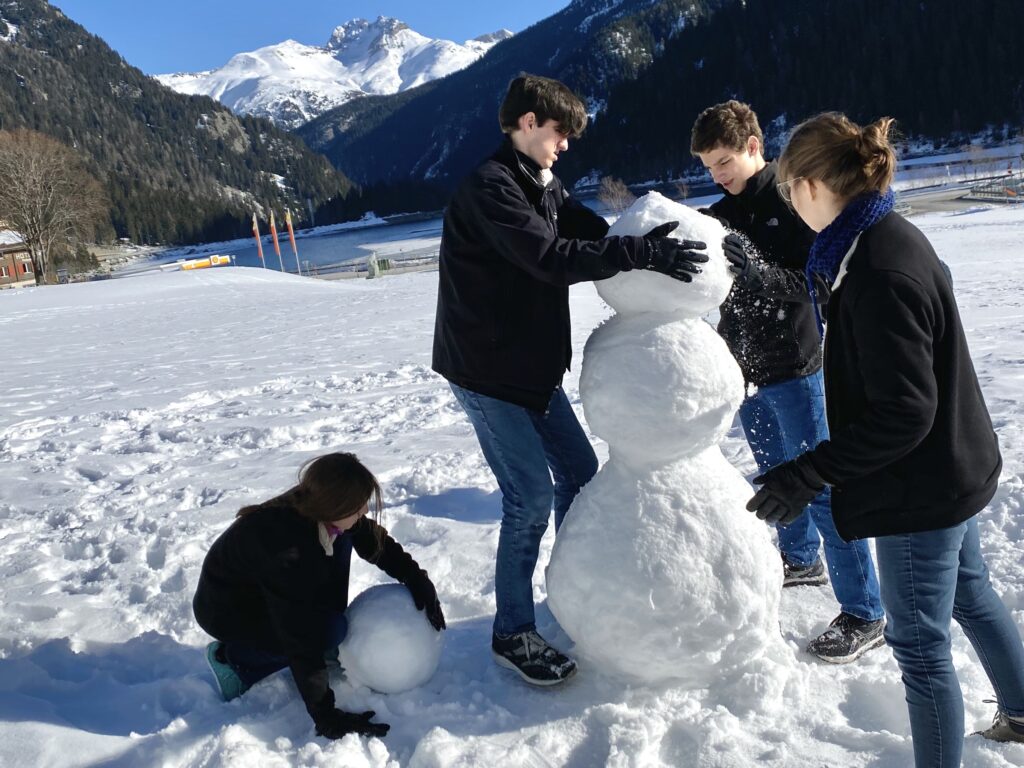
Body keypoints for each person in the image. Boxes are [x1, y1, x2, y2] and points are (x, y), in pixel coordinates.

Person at [748, 111, 1024, 765]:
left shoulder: (876, 273)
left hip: (919, 488)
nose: (789, 205)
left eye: (790, 191)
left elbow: (905, 411)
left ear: (814, 185)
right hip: (954, 466)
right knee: (971, 594)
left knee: (922, 651)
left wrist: (807, 471)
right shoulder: (881, 238)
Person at [432, 73, 711, 686]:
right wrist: (639, 257)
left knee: (580, 477)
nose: (565, 147)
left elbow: (583, 229)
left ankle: (577, 590)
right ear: (529, 122)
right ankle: (512, 632)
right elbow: (548, 258)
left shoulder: (541, 181)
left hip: (528, 368)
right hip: (485, 371)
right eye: (560, 133)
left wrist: (640, 239)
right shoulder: (491, 189)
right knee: (528, 497)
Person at [690, 101, 884, 663]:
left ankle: (865, 612)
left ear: (755, 146)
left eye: (724, 161)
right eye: (708, 166)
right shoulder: (716, 215)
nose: (717, 174)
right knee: (774, 475)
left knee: (820, 487)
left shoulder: (793, 200)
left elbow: (811, 282)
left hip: (797, 368)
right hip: (745, 371)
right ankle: (800, 559)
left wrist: (755, 269)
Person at [193, 452, 445, 740]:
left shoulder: (320, 507)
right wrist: (325, 714)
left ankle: (317, 630)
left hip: (267, 590)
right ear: (337, 505)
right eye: (359, 506)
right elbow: (299, 636)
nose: (364, 510)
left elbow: (371, 540)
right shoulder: (287, 552)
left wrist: (416, 577)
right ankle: (235, 661)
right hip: (229, 611)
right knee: (328, 631)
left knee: (346, 541)